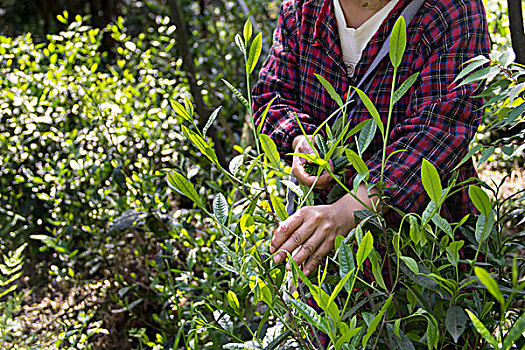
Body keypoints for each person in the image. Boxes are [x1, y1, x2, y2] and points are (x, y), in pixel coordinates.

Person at [252, 0, 491, 277]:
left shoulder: (450, 9)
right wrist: (300, 139)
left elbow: (441, 128)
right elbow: (272, 94)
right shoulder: (304, 9)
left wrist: (354, 207)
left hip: (422, 249)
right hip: (321, 248)